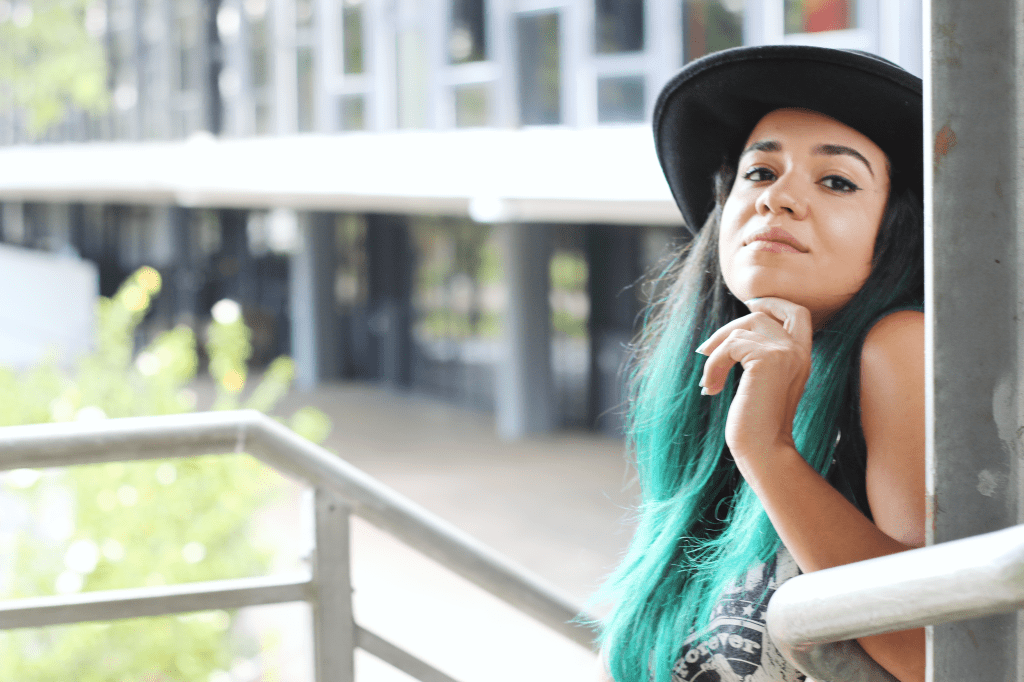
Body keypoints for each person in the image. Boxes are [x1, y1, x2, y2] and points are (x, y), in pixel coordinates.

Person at [594, 45, 925, 682]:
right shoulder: (737, 384)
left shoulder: (896, 344)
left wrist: (766, 450)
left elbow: (937, 644)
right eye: (760, 172)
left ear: (897, 230)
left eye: (837, 181)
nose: (778, 198)